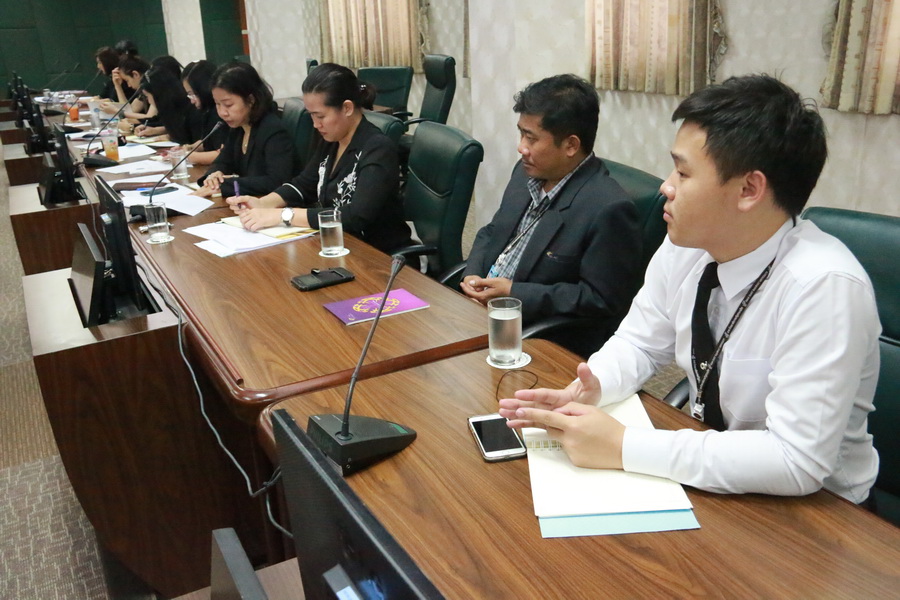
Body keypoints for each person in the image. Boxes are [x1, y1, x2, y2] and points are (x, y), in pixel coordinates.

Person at [499, 74, 880, 505]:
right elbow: (640, 342)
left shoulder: (824, 288)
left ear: (749, 189)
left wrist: (623, 446)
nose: (666, 185)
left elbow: (796, 460)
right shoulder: (688, 246)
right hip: (718, 472)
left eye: (683, 172)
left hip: (818, 512)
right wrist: (592, 386)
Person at [462, 74, 642, 346]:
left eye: (531, 138)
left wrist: (515, 293)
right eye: (521, 133)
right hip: (481, 314)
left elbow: (600, 300)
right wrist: (472, 275)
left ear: (571, 145)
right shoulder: (525, 174)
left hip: (534, 336)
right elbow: (492, 231)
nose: (521, 148)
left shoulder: (609, 209)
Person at [226, 63, 412, 254]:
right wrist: (264, 203)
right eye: (312, 116)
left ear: (347, 108)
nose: (315, 124)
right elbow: (304, 184)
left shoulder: (377, 148)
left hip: (377, 255)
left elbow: (356, 216)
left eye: (320, 116)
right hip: (338, 244)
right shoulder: (332, 139)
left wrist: (284, 215)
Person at [194, 62, 294, 199]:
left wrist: (227, 185)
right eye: (217, 104)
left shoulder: (272, 130)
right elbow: (223, 161)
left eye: (228, 105)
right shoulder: (239, 127)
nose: (222, 112)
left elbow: (277, 181)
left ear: (251, 100)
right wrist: (214, 175)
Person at [180, 60, 225, 165]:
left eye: (192, 94)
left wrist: (191, 157)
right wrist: (192, 147)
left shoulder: (221, 113)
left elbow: (225, 153)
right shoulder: (208, 111)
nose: (192, 101)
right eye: (189, 95)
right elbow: (210, 141)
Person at [134, 67, 192, 142]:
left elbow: (188, 135)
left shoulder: (189, 109)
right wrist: (156, 130)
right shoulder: (171, 109)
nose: (148, 101)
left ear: (157, 94)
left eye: (147, 96)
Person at [101, 55, 152, 119]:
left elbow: (151, 118)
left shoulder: (155, 88)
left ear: (135, 74)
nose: (129, 85)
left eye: (127, 80)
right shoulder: (143, 91)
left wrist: (116, 111)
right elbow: (129, 111)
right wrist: (118, 86)